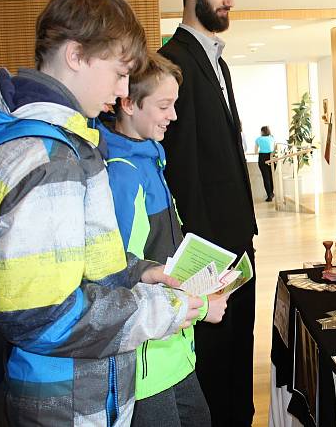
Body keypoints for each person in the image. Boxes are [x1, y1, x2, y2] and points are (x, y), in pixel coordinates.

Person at [0, 0, 202, 425]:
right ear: (76, 55)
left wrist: (140, 271)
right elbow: (42, 314)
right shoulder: (48, 156)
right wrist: (168, 308)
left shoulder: (64, 144)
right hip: (65, 397)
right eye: (119, 71)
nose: (124, 87)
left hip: (75, 386)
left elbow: (81, 261)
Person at [98, 52, 229, 427]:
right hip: (145, 364)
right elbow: (118, 276)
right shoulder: (123, 176)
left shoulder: (149, 161)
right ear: (127, 103)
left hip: (173, 347)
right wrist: (201, 309)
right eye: (163, 105)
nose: (173, 115)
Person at [158, 0, 257, 427]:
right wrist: (202, 264)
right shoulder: (172, 63)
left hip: (237, 244)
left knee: (239, 361)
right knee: (216, 371)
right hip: (210, 255)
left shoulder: (219, 62)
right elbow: (181, 171)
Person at [254, 125, 275, 201]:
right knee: (270, 176)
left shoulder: (258, 139)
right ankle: (272, 193)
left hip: (262, 158)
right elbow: (274, 148)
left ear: (262, 131)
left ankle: (269, 195)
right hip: (271, 157)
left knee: (265, 177)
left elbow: (255, 151)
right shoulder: (272, 138)